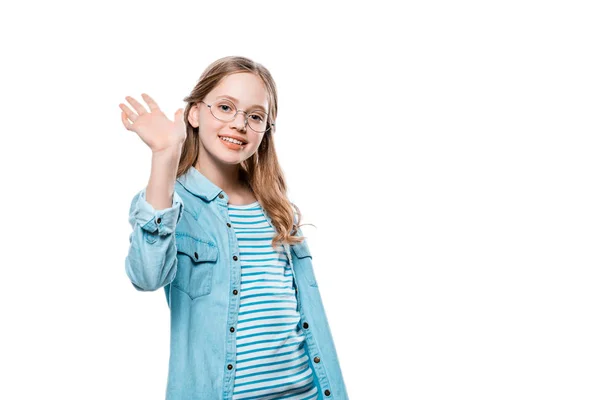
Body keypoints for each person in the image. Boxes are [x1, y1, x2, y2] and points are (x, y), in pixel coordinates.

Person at [120, 56, 349, 400]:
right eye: (225, 107)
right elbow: (146, 276)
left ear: (265, 130)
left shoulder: (276, 206)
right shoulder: (168, 200)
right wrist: (165, 155)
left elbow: (304, 314)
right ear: (195, 114)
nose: (239, 123)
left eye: (255, 116)